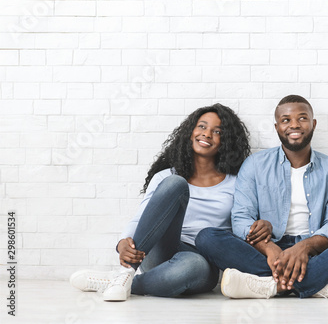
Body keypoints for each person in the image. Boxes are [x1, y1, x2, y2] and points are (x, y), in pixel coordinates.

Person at [195, 95, 328, 299]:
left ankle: (270, 285)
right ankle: (319, 283)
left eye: (302, 118)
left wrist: (304, 247)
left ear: (313, 124)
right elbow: (241, 218)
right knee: (207, 237)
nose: (294, 124)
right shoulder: (254, 164)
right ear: (277, 127)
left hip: (315, 252)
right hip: (265, 250)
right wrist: (270, 249)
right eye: (286, 120)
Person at [70, 104, 250, 301]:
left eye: (217, 131)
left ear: (226, 141)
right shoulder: (165, 176)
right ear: (190, 132)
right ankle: (127, 273)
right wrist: (123, 242)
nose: (207, 134)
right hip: (160, 250)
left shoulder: (236, 182)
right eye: (202, 127)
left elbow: (242, 223)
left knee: (193, 265)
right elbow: (143, 216)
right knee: (175, 183)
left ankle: (119, 282)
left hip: (202, 262)